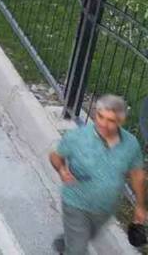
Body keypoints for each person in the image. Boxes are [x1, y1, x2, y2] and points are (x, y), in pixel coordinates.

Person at [49, 93, 145, 254]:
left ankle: (66, 242)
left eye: (111, 120)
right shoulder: (77, 137)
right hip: (75, 203)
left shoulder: (131, 144)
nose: (103, 124)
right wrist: (62, 170)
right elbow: (55, 155)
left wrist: (140, 206)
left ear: (121, 121)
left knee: (82, 237)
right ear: (95, 114)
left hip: (105, 209)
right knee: (78, 249)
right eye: (100, 117)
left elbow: (137, 175)